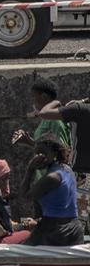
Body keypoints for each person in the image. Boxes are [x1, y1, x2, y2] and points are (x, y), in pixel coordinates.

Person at [21, 135, 84, 246]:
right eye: (36, 154)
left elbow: (25, 196)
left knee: (20, 252)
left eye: (43, 153)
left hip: (57, 231)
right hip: (74, 229)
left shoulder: (52, 177)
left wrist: (30, 169)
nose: (39, 156)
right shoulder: (66, 169)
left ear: (55, 154)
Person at [38, 97, 90, 229]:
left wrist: (56, 102)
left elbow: (44, 113)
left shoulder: (79, 109)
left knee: (78, 227)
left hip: (83, 177)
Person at [13, 78, 71, 148]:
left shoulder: (54, 120)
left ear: (44, 96)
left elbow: (62, 150)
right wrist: (29, 141)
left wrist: (30, 143)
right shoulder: (47, 119)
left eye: (34, 96)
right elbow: (46, 149)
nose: (32, 101)